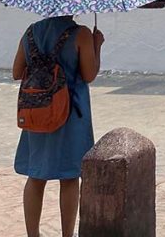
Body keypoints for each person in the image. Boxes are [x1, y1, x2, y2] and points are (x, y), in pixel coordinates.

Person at [12, 16, 103, 237]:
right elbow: (89, 74)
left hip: (37, 111)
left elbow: (16, 72)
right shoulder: (81, 34)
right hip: (70, 114)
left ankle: (33, 234)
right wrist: (97, 46)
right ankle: (66, 235)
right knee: (69, 176)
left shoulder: (31, 32)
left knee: (36, 176)